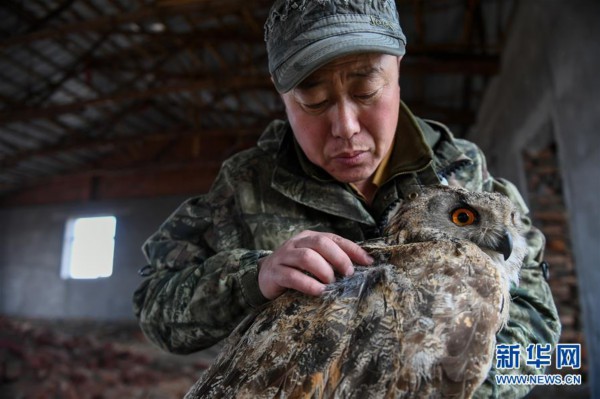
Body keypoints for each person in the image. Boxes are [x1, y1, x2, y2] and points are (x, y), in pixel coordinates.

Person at [133, 0, 560, 397]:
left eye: (366, 90)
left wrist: (456, 386)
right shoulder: (245, 185)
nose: (346, 128)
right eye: (313, 101)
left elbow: (536, 321)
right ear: (282, 96)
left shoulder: (465, 171)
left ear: (397, 69)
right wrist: (252, 278)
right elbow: (155, 306)